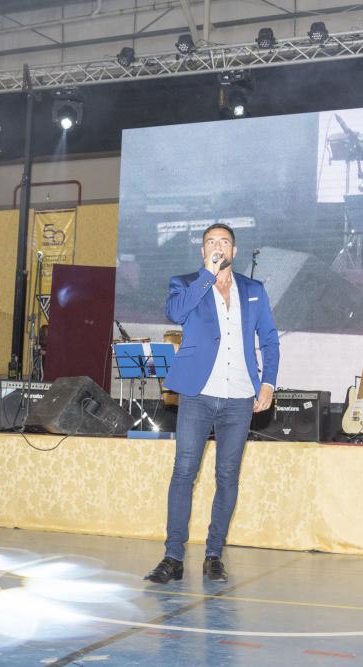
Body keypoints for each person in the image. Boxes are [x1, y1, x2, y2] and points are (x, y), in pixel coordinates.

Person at [145, 222, 280, 584]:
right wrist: (207, 275)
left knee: (227, 475)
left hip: (240, 396)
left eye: (224, 242)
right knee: (184, 472)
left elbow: (269, 339)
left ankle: (214, 554)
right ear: (202, 251)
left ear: (234, 251)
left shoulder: (254, 290)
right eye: (210, 242)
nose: (218, 246)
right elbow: (176, 314)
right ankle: (173, 557)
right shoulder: (185, 283)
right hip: (198, 394)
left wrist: (268, 383)